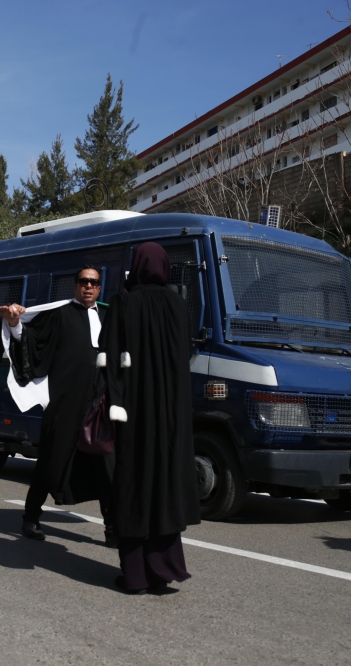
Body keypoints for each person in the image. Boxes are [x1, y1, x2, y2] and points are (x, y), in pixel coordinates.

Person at [102, 242, 200, 595]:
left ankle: (135, 576)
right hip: (170, 414)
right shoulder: (177, 304)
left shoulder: (124, 302)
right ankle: (162, 570)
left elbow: (109, 355)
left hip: (134, 412)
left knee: (133, 483)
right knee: (164, 484)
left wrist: (113, 401)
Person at [0, 265, 115, 545]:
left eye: (94, 283)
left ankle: (113, 528)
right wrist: (15, 325)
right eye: (83, 281)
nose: (88, 286)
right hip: (65, 403)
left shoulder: (108, 316)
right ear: (75, 285)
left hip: (98, 404)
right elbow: (31, 343)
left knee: (106, 466)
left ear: (100, 288)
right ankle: (31, 517)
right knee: (51, 461)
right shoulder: (60, 315)